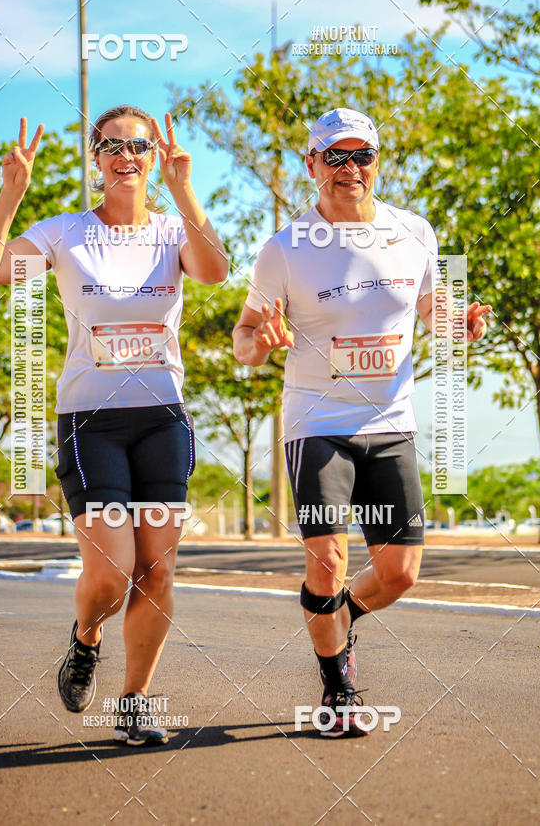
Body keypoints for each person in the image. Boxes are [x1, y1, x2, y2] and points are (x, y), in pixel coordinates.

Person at [0, 106, 228, 745]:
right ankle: (86, 638)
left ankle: (134, 702)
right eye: (112, 146)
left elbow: (216, 270)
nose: (126, 156)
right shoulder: (64, 234)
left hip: (163, 419)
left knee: (156, 572)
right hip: (92, 423)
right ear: (96, 158)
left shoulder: (173, 231)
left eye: (139, 146)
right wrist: (11, 193)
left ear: (152, 156)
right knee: (111, 575)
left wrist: (184, 188)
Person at [232, 107, 490, 737]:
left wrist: (460, 326)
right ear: (312, 165)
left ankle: (337, 618)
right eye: (336, 157)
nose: (350, 168)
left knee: (400, 573)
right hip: (317, 423)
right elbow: (243, 339)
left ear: (378, 161)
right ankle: (338, 686)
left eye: (362, 156)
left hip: (392, 421)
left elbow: (434, 312)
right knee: (326, 562)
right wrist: (259, 342)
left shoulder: (415, 231)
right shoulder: (284, 248)